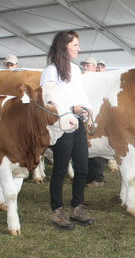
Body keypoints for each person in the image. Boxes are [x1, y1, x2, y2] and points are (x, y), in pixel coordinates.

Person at [40, 30, 94, 229]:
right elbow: (47, 100)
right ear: (64, 46)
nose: (79, 49)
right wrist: (71, 109)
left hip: (78, 122)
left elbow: (81, 94)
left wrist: (87, 112)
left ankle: (77, 208)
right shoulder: (51, 70)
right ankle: (57, 212)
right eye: (75, 46)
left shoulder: (75, 70)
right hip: (62, 125)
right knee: (61, 169)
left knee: (82, 169)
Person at [86, 57, 107, 188]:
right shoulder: (84, 80)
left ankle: (98, 179)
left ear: (94, 67)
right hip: (87, 116)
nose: (85, 68)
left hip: (98, 116)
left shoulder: (101, 81)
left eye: (88, 66)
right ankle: (89, 178)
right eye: (85, 66)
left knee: (97, 148)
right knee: (87, 148)